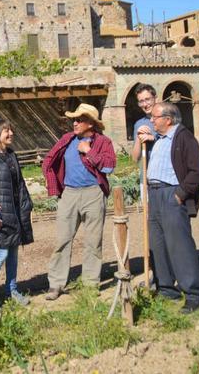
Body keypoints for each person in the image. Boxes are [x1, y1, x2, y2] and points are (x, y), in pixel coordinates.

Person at [41, 103, 116, 300]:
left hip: (94, 194)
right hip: (70, 194)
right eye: (74, 119)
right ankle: (56, 284)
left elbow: (109, 167)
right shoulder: (67, 140)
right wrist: (55, 186)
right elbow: (49, 160)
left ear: (91, 123)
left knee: (93, 241)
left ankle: (90, 285)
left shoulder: (103, 142)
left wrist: (88, 152)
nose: (74, 123)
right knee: (62, 240)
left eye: (79, 119)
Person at [143, 102, 199, 313]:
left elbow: (197, 171)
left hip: (172, 194)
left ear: (167, 119)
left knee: (179, 245)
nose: (151, 120)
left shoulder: (183, 138)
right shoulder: (160, 139)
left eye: (155, 117)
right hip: (155, 195)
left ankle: (193, 293)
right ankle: (167, 289)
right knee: (158, 245)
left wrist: (181, 194)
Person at [0, 118, 34, 310]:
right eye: (6, 131)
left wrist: (26, 208)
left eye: (11, 130)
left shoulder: (11, 155)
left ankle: (12, 290)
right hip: (1, 215)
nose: (10, 134)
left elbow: (20, 184)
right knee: (0, 255)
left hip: (15, 214)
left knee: (13, 255)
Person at [131, 84, 157, 162]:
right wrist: (139, 138)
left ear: (155, 98)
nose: (145, 104)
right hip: (146, 172)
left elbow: (175, 145)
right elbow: (135, 159)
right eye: (141, 101)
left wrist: (154, 139)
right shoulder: (139, 124)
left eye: (147, 99)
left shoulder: (168, 119)